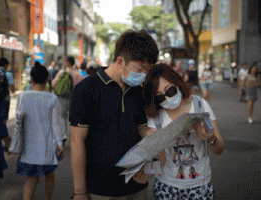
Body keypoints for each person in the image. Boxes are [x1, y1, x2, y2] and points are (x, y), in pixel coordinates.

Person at [69, 30, 159, 200]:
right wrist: (80, 191)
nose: (143, 75)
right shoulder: (87, 89)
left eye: (147, 70)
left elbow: (141, 129)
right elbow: (76, 141)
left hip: (137, 184)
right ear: (120, 61)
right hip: (101, 188)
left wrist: (154, 136)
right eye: (140, 68)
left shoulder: (137, 91)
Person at [143, 63, 225, 199]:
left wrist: (211, 139)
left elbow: (220, 149)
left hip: (201, 187)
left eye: (169, 91)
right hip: (167, 188)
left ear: (177, 83)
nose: (167, 99)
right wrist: (153, 150)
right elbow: (160, 162)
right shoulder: (156, 117)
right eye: (160, 97)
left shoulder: (200, 105)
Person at [10, 62, 63, 200]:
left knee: (31, 179)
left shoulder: (22, 96)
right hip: (47, 146)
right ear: (47, 79)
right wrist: (60, 143)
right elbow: (55, 124)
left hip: (29, 147)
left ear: (31, 79)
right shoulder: (52, 98)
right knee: (49, 176)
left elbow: (18, 121)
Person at [52, 56, 83, 146]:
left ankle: (64, 134)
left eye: (65, 61)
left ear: (68, 62)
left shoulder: (61, 73)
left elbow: (53, 84)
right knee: (73, 118)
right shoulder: (78, 74)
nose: (63, 63)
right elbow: (81, 88)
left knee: (62, 116)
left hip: (62, 98)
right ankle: (73, 136)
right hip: (74, 99)